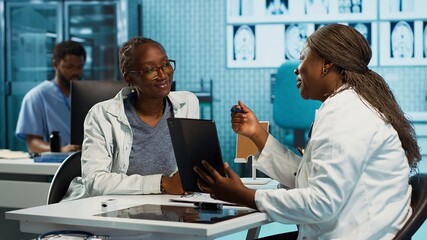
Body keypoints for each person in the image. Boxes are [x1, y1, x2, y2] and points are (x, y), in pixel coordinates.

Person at [194, 24, 421, 239]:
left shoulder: (346, 115)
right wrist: (257, 135)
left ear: (326, 64)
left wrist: (245, 195)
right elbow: (309, 179)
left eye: (303, 57)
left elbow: (321, 202)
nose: (297, 67)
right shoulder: (346, 106)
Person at [62, 37, 199, 201]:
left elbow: (191, 167)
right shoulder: (102, 115)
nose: (163, 74)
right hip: (107, 208)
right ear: (129, 78)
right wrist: (162, 183)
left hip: (164, 203)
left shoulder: (187, 104)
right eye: (150, 70)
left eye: (165, 64)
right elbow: (95, 182)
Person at [16, 40, 86, 154]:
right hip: (52, 164)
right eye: (69, 67)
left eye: (79, 67)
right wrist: (61, 150)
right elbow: (33, 144)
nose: (75, 72)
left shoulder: (86, 94)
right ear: (55, 64)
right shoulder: (36, 97)